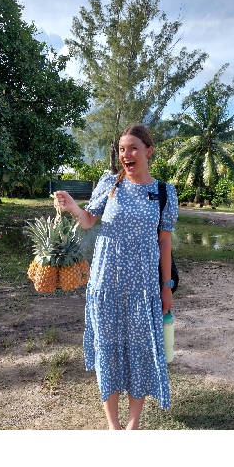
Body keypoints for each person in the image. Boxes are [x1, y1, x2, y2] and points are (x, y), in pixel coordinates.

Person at [52, 124, 177, 430]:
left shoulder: (164, 192)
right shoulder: (110, 183)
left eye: (133, 148)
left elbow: (164, 242)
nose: (126, 154)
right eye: (122, 149)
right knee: (107, 349)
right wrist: (71, 205)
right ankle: (114, 426)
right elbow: (87, 220)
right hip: (106, 282)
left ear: (148, 151)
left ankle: (132, 426)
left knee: (140, 352)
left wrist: (166, 286)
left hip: (143, 287)